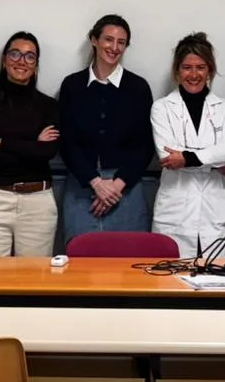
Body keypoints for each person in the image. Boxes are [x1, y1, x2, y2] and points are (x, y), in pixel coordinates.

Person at [56, 14, 154, 241]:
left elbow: (145, 144)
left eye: (121, 42)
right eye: (108, 39)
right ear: (94, 40)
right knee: (81, 265)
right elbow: (67, 141)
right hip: (82, 186)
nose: (114, 47)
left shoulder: (138, 87)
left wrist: (116, 186)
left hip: (126, 189)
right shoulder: (72, 85)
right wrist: (96, 182)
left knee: (128, 266)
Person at [150, 33, 225, 259]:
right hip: (175, 212)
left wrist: (187, 158)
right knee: (171, 284)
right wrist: (213, 160)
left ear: (210, 70)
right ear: (177, 70)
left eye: (200, 67)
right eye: (186, 67)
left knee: (218, 284)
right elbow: (167, 154)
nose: (193, 74)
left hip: (215, 212)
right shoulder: (161, 108)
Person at [0, 32, 61, 256]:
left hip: (38, 203)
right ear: (4, 60)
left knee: (35, 282)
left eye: (29, 56)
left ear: (36, 65)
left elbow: (48, 152)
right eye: (15, 54)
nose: (21, 61)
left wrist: (3, 143)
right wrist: (33, 145)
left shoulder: (48, 106)